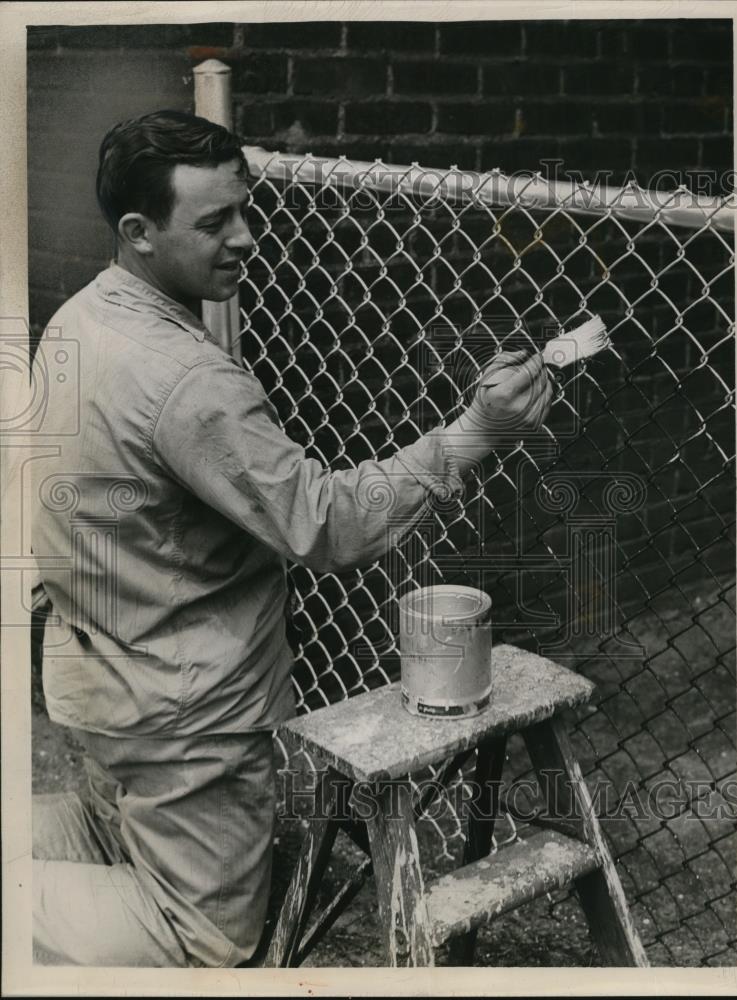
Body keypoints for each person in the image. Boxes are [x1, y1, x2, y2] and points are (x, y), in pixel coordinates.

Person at [30, 110, 553, 967]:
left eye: (246, 207)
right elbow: (325, 522)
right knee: (206, 940)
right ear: (138, 232)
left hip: (100, 676)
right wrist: (473, 435)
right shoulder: (189, 379)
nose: (244, 238)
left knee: (116, 823)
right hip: (185, 711)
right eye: (212, 223)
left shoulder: (82, 319)